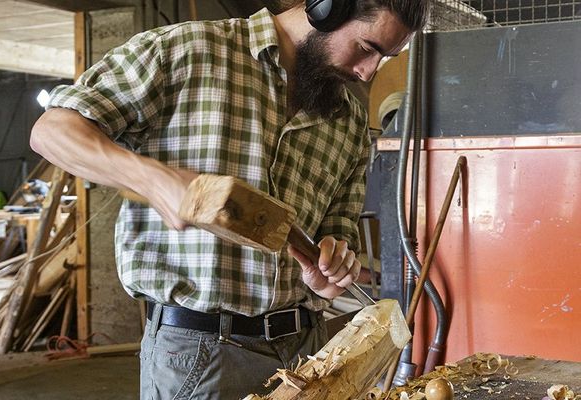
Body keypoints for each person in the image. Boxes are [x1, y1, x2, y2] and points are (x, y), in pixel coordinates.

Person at [30, 0, 428, 398]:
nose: (368, 71)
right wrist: (155, 180)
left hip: (307, 352)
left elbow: (336, 241)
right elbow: (53, 131)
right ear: (327, 8)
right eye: (366, 48)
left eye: (387, 57)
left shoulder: (350, 119)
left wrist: (330, 270)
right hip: (199, 353)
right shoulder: (187, 50)